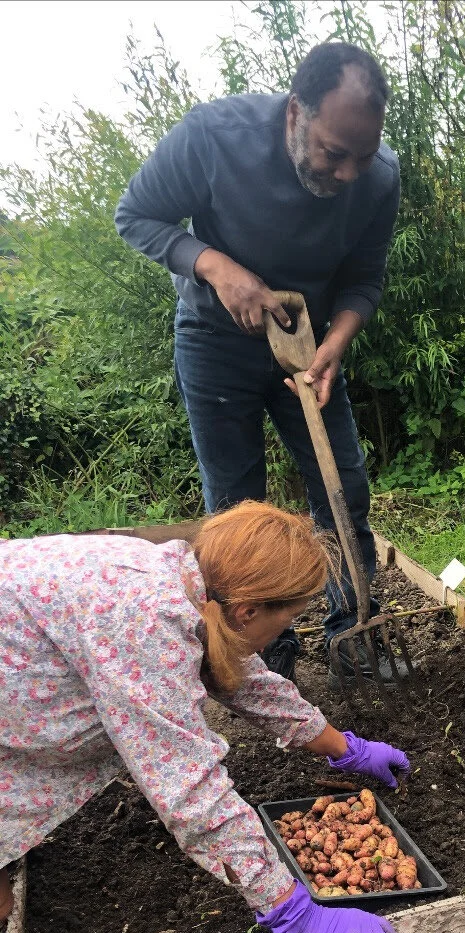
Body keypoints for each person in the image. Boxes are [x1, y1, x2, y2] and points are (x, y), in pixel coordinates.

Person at [0, 501, 408, 933]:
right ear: (248, 610)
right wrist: (288, 907)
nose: (286, 632)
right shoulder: (145, 622)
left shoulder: (193, 585)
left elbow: (242, 678)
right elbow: (187, 784)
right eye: (288, 620)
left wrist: (345, 749)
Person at [114, 41, 403, 687]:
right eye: (335, 152)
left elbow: (364, 277)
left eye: (363, 154)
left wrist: (338, 341)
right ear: (296, 112)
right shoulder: (215, 136)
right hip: (215, 342)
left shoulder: (379, 175)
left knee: (344, 490)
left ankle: (352, 629)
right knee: (238, 509)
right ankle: (259, 655)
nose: (350, 172)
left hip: (308, 351)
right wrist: (216, 268)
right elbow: (136, 216)